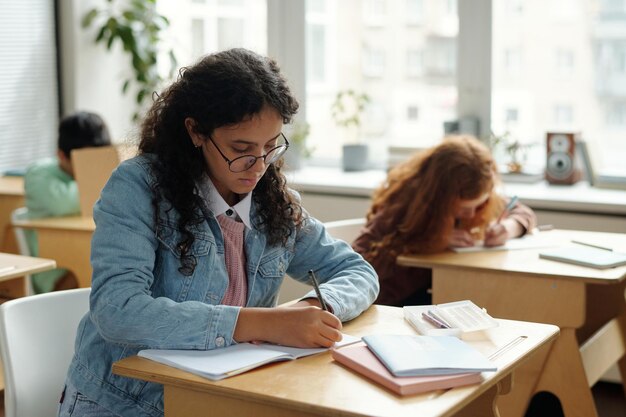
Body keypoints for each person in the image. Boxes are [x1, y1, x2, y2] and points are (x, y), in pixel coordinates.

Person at [58, 48, 379, 417]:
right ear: (196, 131)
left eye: (270, 147)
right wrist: (255, 323)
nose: (258, 167)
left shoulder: (273, 202)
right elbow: (117, 309)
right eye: (241, 149)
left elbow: (357, 271)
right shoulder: (138, 188)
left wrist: (311, 310)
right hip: (127, 403)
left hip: (225, 397)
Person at [353, 135, 536, 307]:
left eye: (480, 205)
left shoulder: (478, 194)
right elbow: (357, 264)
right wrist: (432, 241)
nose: (472, 214)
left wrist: (509, 228)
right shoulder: (403, 205)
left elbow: (522, 212)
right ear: (440, 198)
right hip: (403, 306)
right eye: (464, 208)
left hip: (451, 298)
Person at [22, 111, 111, 293]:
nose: (91, 167)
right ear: (62, 156)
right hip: (56, 270)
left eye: (97, 159)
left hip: (92, 253)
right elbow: (62, 202)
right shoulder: (38, 174)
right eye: (84, 161)